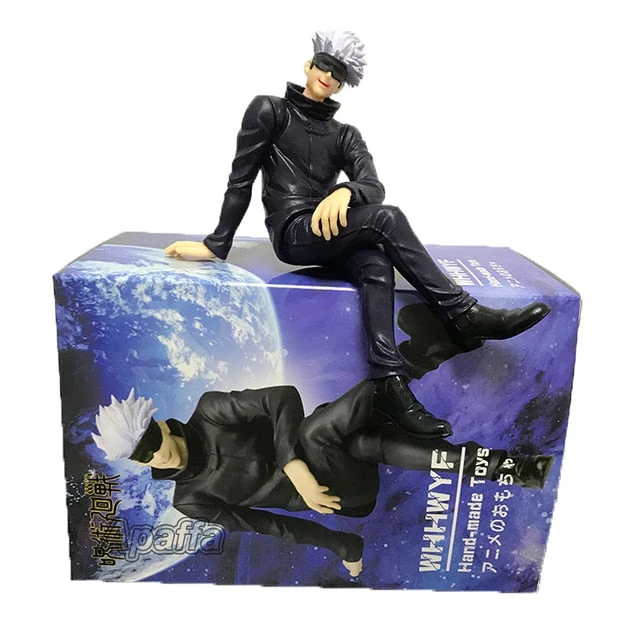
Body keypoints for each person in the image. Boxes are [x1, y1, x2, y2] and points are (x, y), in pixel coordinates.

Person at [163, 30, 550, 441]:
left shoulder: (345, 134)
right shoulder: (270, 110)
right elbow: (240, 179)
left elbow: (372, 184)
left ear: (343, 85)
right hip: (294, 231)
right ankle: (462, 315)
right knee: (387, 219)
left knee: (375, 262)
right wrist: (217, 243)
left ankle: (387, 384)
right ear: (309, 65)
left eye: (339, 74)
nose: (329, 76)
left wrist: (347, 190)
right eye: (324, 65)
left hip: (333, 233)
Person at [93, 382, 553, 578]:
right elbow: (271, 526)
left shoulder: (210, 410)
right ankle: (384, 390)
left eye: (152, 440)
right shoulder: (190, 500)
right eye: (143, 455)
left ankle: (510, 469)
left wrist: (291, 464)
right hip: (342, 496)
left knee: (359, 440)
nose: (157, 454)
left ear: (162, 424)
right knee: (326, 426)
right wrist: (343, 546)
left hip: (342, 452)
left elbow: (281, 397)